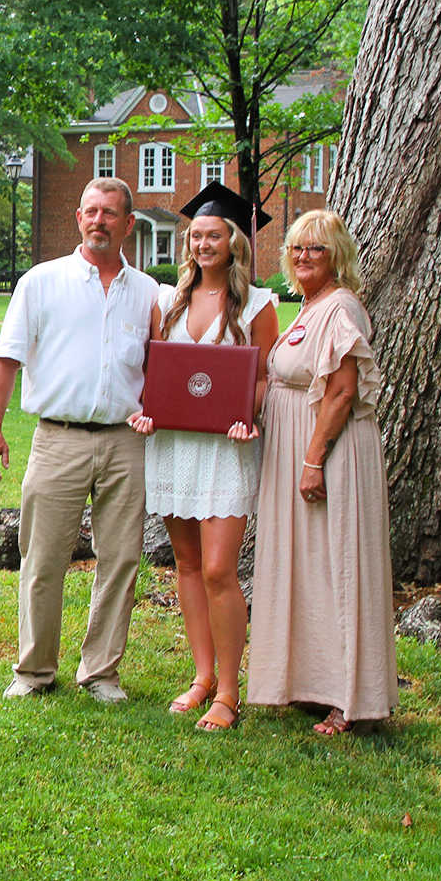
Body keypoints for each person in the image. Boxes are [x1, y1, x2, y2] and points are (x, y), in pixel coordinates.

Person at [0, 176, 160, 703]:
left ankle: (101, 672)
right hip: (57, 439)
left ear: (129, 224)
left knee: (122, 557)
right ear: (77, 218)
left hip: (125, 441)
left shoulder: (149, 293)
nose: (98, 221)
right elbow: (5, 360)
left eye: (109, 213)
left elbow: (169, 366)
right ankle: (34, 671)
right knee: (42, 557)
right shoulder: (41, 282)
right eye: (90, 211)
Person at [125, 183, 279, 732]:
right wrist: (146, 410)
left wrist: (250, 412)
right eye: (197, 236)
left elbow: (263, 377)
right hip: (173, 446)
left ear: (234, 242)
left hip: (226, 450)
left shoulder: (259, 305)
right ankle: (202, 676)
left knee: (219, 569)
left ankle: (231, 691)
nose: (203, 244)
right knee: (187, 565)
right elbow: (156, 372)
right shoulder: (167, 301)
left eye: (215, 236)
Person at [247, 209, 397, 734]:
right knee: (306, 567)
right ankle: (312, 682)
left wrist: (313, 460)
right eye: (296, 248)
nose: (304, 256)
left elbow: (340, 391)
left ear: (336, 255)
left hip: (329, 454)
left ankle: (352, 698)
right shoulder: (309, 306)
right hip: (297, 450)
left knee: (338, 565)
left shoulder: (342, 308)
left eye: (316, 248)